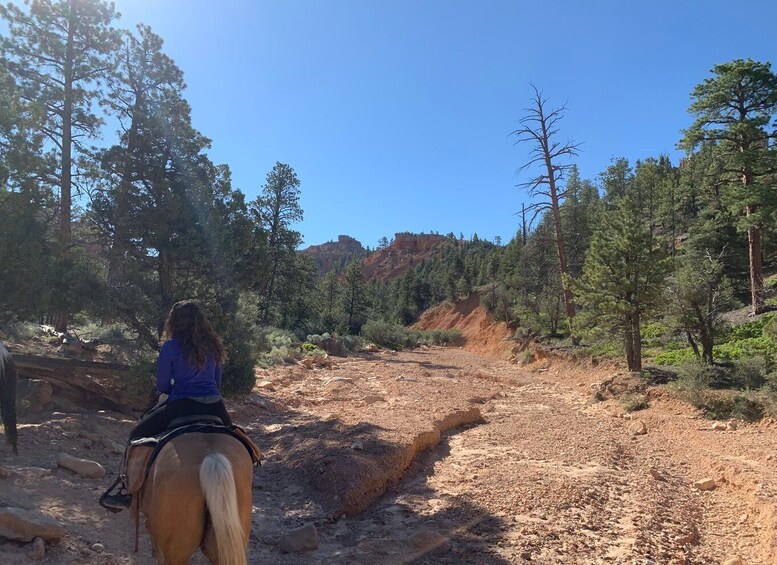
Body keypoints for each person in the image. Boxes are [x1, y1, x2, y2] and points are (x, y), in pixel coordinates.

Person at [101, 300, 232, 511]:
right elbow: (216, 383)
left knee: (137, 435)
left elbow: (163, 384)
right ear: (201, 321)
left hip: (182, 405)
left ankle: (126, 490)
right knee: (236, 437)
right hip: (214, 406)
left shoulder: (170, 347)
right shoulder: (214, 346)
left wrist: (179, 386)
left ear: (174, 322)